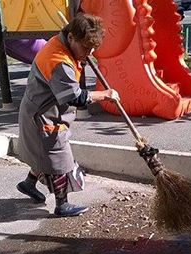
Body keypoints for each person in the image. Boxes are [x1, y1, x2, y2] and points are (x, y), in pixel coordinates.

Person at [15, 13, 120, 217]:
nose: (89, 53)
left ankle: (28, 184)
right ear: (71, 37)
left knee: (43, 155)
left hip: (41, 110)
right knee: (59, 159)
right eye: (86, 48)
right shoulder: (59, 61)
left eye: (92, 49)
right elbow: (75, 98)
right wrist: (105, 95)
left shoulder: (63, 43)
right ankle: (62, 204)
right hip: (42, 117)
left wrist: (82, 54)